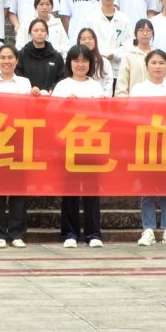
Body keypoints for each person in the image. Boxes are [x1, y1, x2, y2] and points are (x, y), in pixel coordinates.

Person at [0, 44, 35, 248]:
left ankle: (17, 233)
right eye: (2, 57)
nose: (7, 61)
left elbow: (31, 109)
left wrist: (36, 96)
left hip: (20, 138)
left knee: (19, 188)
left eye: (10, 57)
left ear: (17, 60)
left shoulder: (25, 83)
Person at [53, 44, 109, 247]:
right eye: (76, 60)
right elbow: (51, 113)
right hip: (68, 145)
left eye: (85, 61)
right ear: (69, 63)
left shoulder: (96, 86)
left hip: (91, 144)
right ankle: (70, 233)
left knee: (92, 191)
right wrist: (64, 104)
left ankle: (93, 234)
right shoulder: (62, 86)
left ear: (90, 64)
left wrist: (102, 103)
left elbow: (105, 116)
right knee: (70, 191)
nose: (80, 64)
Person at [128, 49, 166, 246]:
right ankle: (148, 229)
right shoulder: (139, 89)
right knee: (147, 188)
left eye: (161, 63)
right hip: (146, 142)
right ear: (146, 66)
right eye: (153, 63)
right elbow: (132, 114)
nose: (157, 66)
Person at [16, 16, 65, 92]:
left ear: (47, 33)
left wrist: (52, 89)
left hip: (50, 96)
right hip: (27, 95)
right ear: (30, 33)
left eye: (43, 30)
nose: (39, 33)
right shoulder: (22, 55)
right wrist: (29, 89)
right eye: (35, 30)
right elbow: (17, 76)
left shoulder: (56, 56)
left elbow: (61, 77)